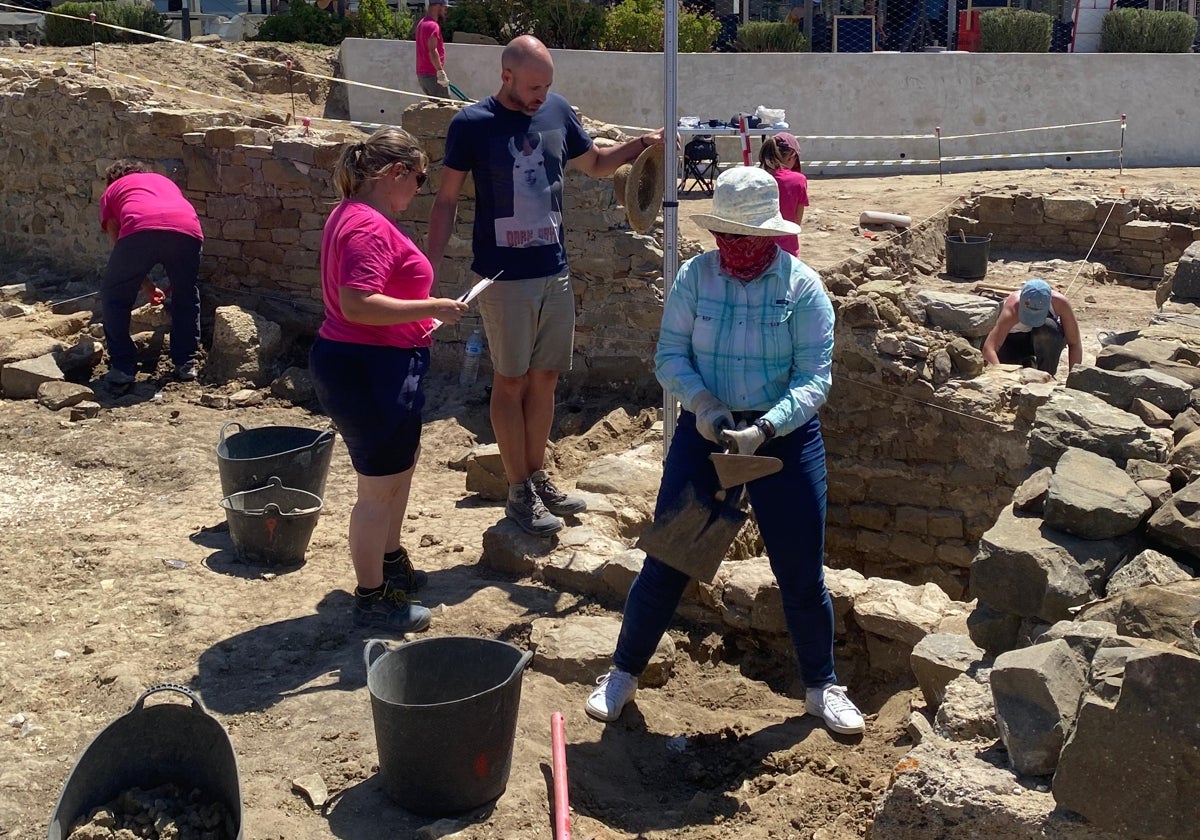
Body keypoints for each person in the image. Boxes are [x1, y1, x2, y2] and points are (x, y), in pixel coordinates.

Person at [584, 167, 865, 736]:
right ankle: (622, 673)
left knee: (800, 572)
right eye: (728, 236)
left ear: (771, 234)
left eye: (748, 237)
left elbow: (815, 379)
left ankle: (822, 686)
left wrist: (764, 428)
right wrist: (708, 409)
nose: (736, 248)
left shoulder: (802, 287)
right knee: (668, 561)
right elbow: (670, 356)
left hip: (781, 442)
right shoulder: (695, 278)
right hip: (705, 434)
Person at [427, 35, 667, 536]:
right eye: (533, 86)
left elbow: (597, 164)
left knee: (546, 379)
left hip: (554, 271)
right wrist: (428, 266)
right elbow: (446, 199)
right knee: (509, 382)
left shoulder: (557, 111)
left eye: (547, 85)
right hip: (502, 278)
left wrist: (639, 146)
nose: (541, 95)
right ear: (506, 77)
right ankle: (517, 492)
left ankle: (537, 478)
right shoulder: (471, 124)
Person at [309, 127, 469, 632]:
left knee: (397, 472)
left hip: (377, 361)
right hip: (368, 367)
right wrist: (434, 306)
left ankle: (391, 560)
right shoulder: (368, 227)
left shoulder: (352, 215)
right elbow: (358, 303)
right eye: (419, 179)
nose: (419, 189)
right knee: (375, 492)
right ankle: (372, 596)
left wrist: (416, 321)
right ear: (395, 172)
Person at [98, 160, 204, 387]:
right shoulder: (163, 181)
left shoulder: (111, 191)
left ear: (112, 180)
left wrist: (145, 286)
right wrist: (147, 285)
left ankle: (123, 368)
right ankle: (186, 363)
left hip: (140, 228)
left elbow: (119, 243)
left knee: (115, 297)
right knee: (185, 295)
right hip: (187, 230)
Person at [982, 278, 1081, 376]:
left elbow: (1074, 342)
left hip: (1043, 342)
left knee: (1048, 328)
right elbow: (989, 348)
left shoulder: (1060, 303)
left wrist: (1074, 379)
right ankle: (1026, 362)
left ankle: (1046, 374)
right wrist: (1001, 376)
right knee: (1010, 371)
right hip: (1015, 342)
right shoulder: (1012, 308)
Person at [758, 132, 808, 257]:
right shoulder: (798, 180)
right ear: (791, 156)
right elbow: (796, 222)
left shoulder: (756, 178)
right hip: (787, 249)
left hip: (757, 249)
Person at [414, 0, 451, 100]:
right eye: (444, 7)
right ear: (438, 6)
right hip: (432, 74)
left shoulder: (422, 23)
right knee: (445, 108)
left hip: (423, 74)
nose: (445, 11)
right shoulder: (433, 26)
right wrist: (440, 72)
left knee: (435, 109)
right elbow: (432, 51)